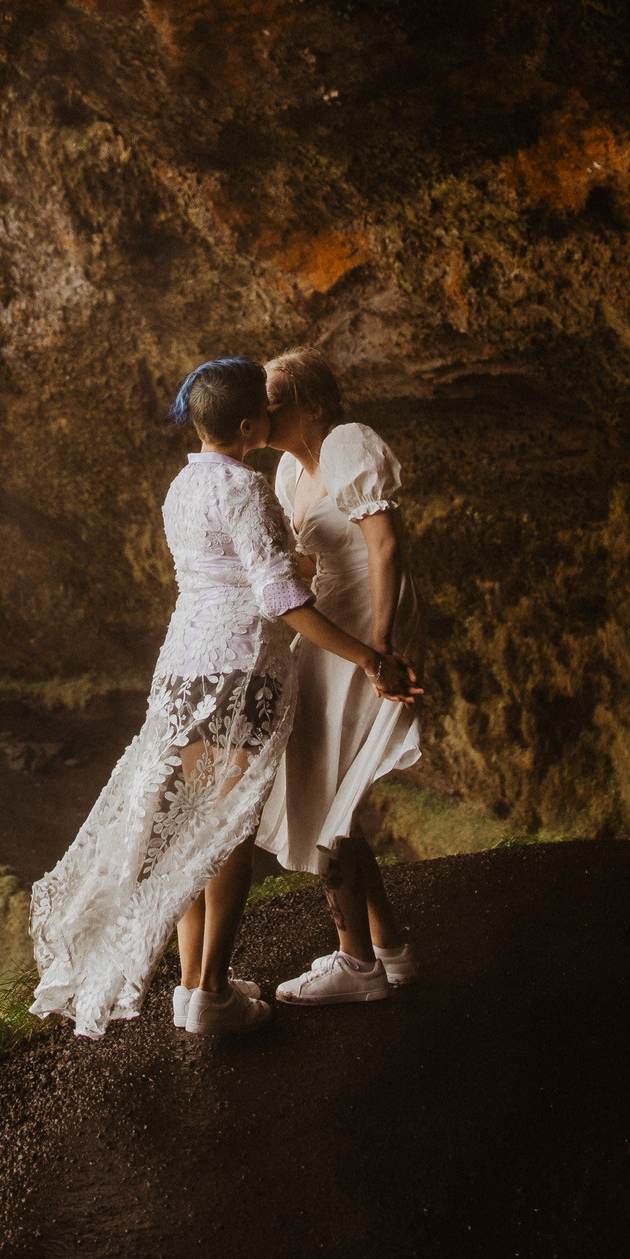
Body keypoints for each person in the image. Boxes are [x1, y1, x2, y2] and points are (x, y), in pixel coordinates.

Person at [30, 355, 421, 1041]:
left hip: (187, 666)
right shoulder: (249, 485)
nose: (269, 417)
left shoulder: (184, 483)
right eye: (261, 408)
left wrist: (349, 617)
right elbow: (274, 590)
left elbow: (259, 567)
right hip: (242, 668)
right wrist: (365, 653)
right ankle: (209, 994)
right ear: (246, 423)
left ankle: (198, 987)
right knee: (225, 828)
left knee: (194, 822)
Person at [258, 347, 424, 1006]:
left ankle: (355, 963)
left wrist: (379, 642)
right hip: (332, 625)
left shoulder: (348, 443)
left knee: (330, 791)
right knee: (331, 790)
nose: (262, 411)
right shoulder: (284, 472)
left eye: (275, 400)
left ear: (314, 403)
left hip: (369, 616)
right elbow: (303, 562)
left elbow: (383, 544)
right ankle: (388, 951)